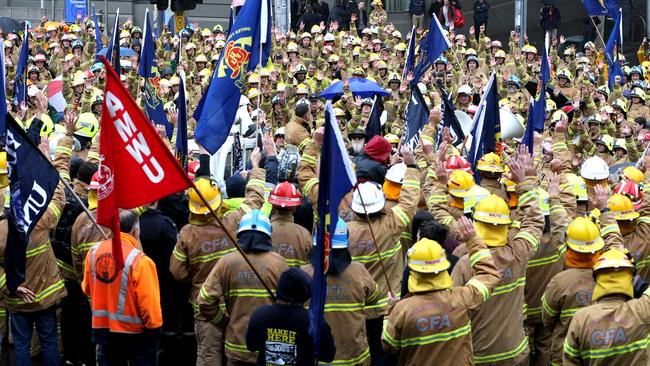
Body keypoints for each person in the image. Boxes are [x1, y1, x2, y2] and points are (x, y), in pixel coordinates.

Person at [382, 217, 501, 364]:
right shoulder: (462, 298)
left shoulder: (402, 309)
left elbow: (389, 345)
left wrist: (390, 311)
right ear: (443, 266)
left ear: (412, 269)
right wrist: (473, 240)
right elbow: (489, 275)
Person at [196, 210, 288, 365]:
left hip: (236, 348)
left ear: (240, 235)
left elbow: (204, 300)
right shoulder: (280, 263)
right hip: (271, 350)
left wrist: (223, 321)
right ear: (267, 236)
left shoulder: (226, 262)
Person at [82, 209, 163, 365]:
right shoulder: (141, 261)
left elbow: (87, 288)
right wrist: (155, 331)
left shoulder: (93, 252)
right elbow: (149, 306)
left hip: (103, 331)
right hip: (135, 335)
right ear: (136, 230)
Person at [563, 248, 650, 365]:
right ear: (630, 279)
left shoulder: (580, 319)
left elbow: (571, 361)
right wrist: (639, 283)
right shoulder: (642, 310)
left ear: (597, 279)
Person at [246, 268, 336, 365]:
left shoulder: (259, 314)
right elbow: (328, 355)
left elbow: (251, 346)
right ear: (304, 293)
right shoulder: (313, 321)